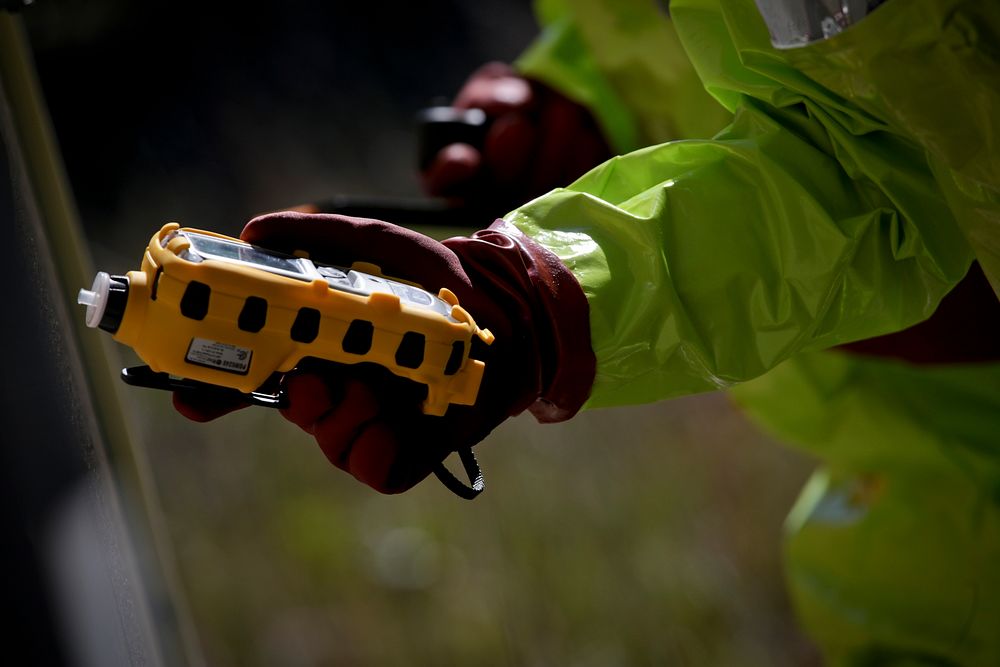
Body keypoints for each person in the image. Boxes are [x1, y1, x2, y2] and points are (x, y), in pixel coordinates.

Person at [175, 0, 1000, 663]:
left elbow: (887, 178)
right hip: (918, 519)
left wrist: (545, 297)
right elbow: (762, 57)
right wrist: (584, 102)